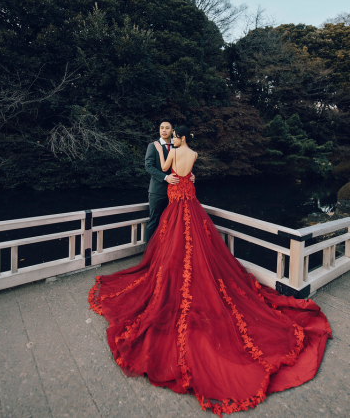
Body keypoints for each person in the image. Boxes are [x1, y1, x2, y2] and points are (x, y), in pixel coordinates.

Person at [89, 126, 331, 416]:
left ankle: (172, 276)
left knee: (174, 243)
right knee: (196, 244)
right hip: (190, 202)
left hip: (176, 202)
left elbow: (167, 168)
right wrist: (185, 173)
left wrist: (171, 159)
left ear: (180, 137)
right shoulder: (194, 153)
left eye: (175, 134)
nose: (173, 137)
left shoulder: (175, 151)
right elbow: (190, 175)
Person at [144, 119, 194, 245]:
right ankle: (149, 252)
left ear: (172, 131)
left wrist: (191, 175)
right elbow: (149, 167)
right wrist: (166, 177)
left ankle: (166, 251)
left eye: (167, 128)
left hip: (176, 192)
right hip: (158, 191)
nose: (164, 130)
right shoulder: (153, 145)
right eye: (161, 128)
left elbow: (183, 164)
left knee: (174, 222)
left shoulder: (177, 144)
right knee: (154, 220)